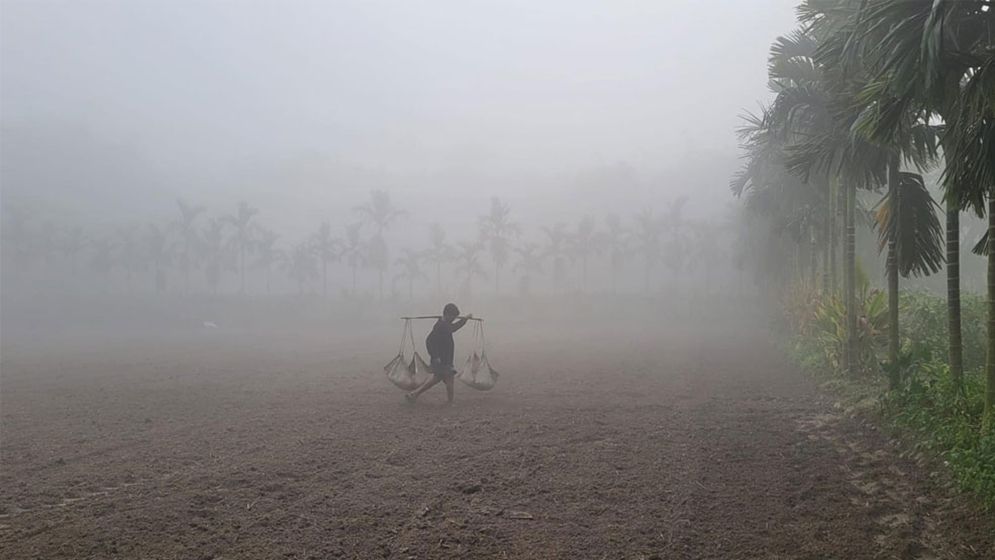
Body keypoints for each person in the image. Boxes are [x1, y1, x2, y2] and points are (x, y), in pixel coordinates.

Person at [406, 303, 470, 404]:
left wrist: (464, 320)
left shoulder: (444, 324)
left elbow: (452, 327)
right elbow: (430, 341)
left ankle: (414, 394)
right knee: (449, 379)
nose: (453, 319)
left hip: (445, 358)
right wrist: (435, 356)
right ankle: (450, 403)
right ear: (448, 315)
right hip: (442, 359)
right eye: (453, 317)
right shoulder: (440, 326)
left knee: (437, 379)